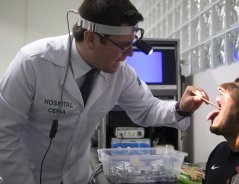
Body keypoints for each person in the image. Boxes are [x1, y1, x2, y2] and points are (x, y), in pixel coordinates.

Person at [0, 0, 208, 184]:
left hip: (76, 176)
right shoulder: (34, 62)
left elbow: (148, 109)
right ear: (91, 39)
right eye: (123, 46)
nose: (129, 54)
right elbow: (3, 134)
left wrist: (181, 107)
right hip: (27, 175)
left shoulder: (121, 73)